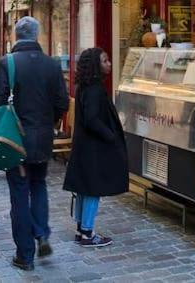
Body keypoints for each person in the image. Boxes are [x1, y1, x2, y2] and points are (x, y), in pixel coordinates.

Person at [0, 16, 69, 272]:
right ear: (37, 35)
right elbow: (62, 102)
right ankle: (42, 232)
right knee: (39, 184)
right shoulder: (51, 64)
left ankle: (25, 254)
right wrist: (48, 121)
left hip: (17, 140)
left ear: (15, 34)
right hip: (43, 137)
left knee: (20, 194)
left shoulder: (8, 63)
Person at [62, 48, 127, 247]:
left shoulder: (85, 86)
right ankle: (87, 232)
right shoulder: (94, 90)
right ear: (95, 66)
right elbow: (92, 119)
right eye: (105, 60)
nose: (109, 63)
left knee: (84, 188)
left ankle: (82, 229)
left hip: (84, 144)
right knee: (92, 189)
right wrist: (111, 135)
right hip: (93, 147)